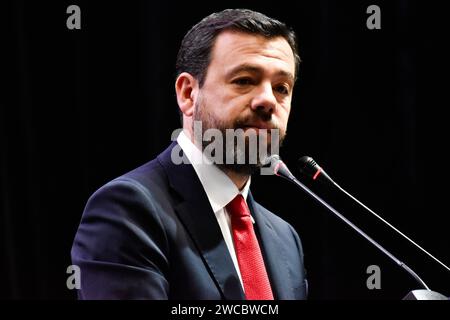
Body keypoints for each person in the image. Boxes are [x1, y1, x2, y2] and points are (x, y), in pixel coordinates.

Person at [71, 8, 307, 300]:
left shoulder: (285, 238)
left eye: (282, 88)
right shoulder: (128, 211)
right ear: (187, 93)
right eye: (244, 80)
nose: (268, 101)